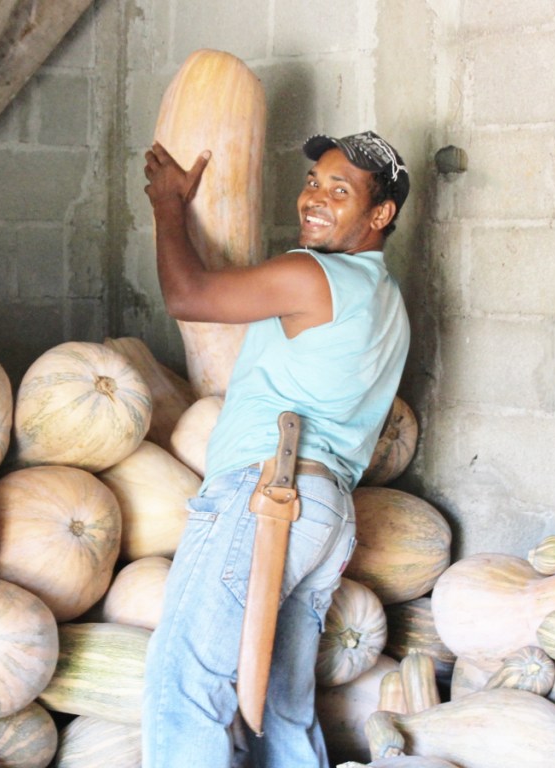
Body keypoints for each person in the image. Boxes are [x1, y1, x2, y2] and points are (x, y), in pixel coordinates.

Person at [140, 130, 411, 768]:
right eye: (314, 181)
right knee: (280, 709)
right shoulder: (388, 301)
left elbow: (190, 297)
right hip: (325, 513)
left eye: (339, 191)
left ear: (379, 216)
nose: (314, 198)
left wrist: (167, 207)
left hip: (266, 497)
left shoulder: (312, 275)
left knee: (185, 686)